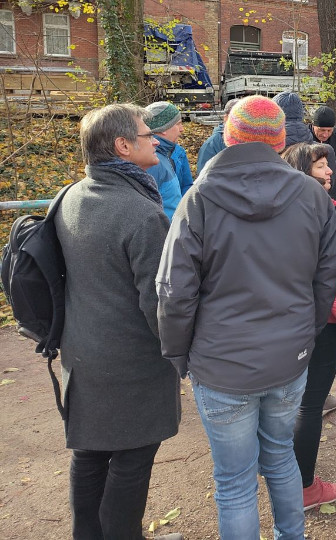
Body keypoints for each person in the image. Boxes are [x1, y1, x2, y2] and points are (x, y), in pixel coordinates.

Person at [156, 95, 336, 538]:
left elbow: (174, 291)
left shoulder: (200, 198)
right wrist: (305, 337)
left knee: (235, 480)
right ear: (280, 141)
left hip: (221, 364)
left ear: (228, 136)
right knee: (280, 456)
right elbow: (326, 280)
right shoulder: (313, 196)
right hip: (288, 357)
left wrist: (179, 355)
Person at [55, 104, 182, 540]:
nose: (155, 142)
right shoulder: (142, 214)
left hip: (80, 352)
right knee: (133, 457)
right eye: (147, 135)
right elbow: (159, 304)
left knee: (89, 452)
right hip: (131, 364)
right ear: (123, 146)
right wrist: (182, 356)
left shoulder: (71, 196)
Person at [281, 142, 336, 508]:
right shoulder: (317, 210)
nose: (330, 171)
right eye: (321, 166)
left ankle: (281, 472)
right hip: (319, 321)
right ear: (302, 172)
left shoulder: (282, 208)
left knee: (289, 401)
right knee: (309, 405)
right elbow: (327, 277)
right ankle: (305, 488)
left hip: (288, 319)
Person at [144, 101, 189, 219]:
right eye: (178, 124)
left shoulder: (170, 152)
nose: (182, 129)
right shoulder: (151, 161)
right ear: (164, 128)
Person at [196, 98, 239, 175]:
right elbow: (204, 177)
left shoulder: (250, 140)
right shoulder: (211, 145)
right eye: (236, 117)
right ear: (226, 118)